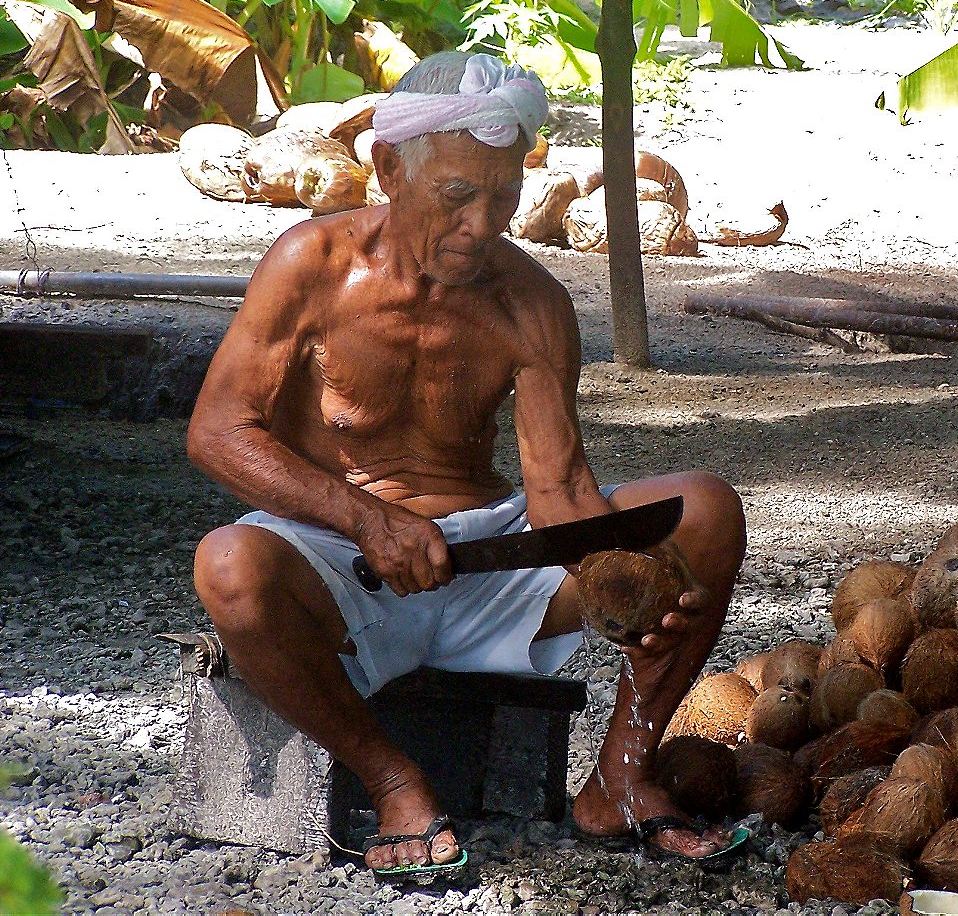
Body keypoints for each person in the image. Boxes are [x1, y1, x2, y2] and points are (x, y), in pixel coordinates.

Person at [186, 51, 748, 882]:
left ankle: (620, 777)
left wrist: (620, 582)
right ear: (386, 169)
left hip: (487, 564)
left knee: (701, 510)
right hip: (336, 559)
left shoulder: (532, 303)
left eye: (504, 198)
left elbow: (556, 494)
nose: (484, 225)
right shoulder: (310, 265)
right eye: (456, 196)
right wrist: (364, 517)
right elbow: (217, 433)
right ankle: (393, 779)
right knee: (229, 564)